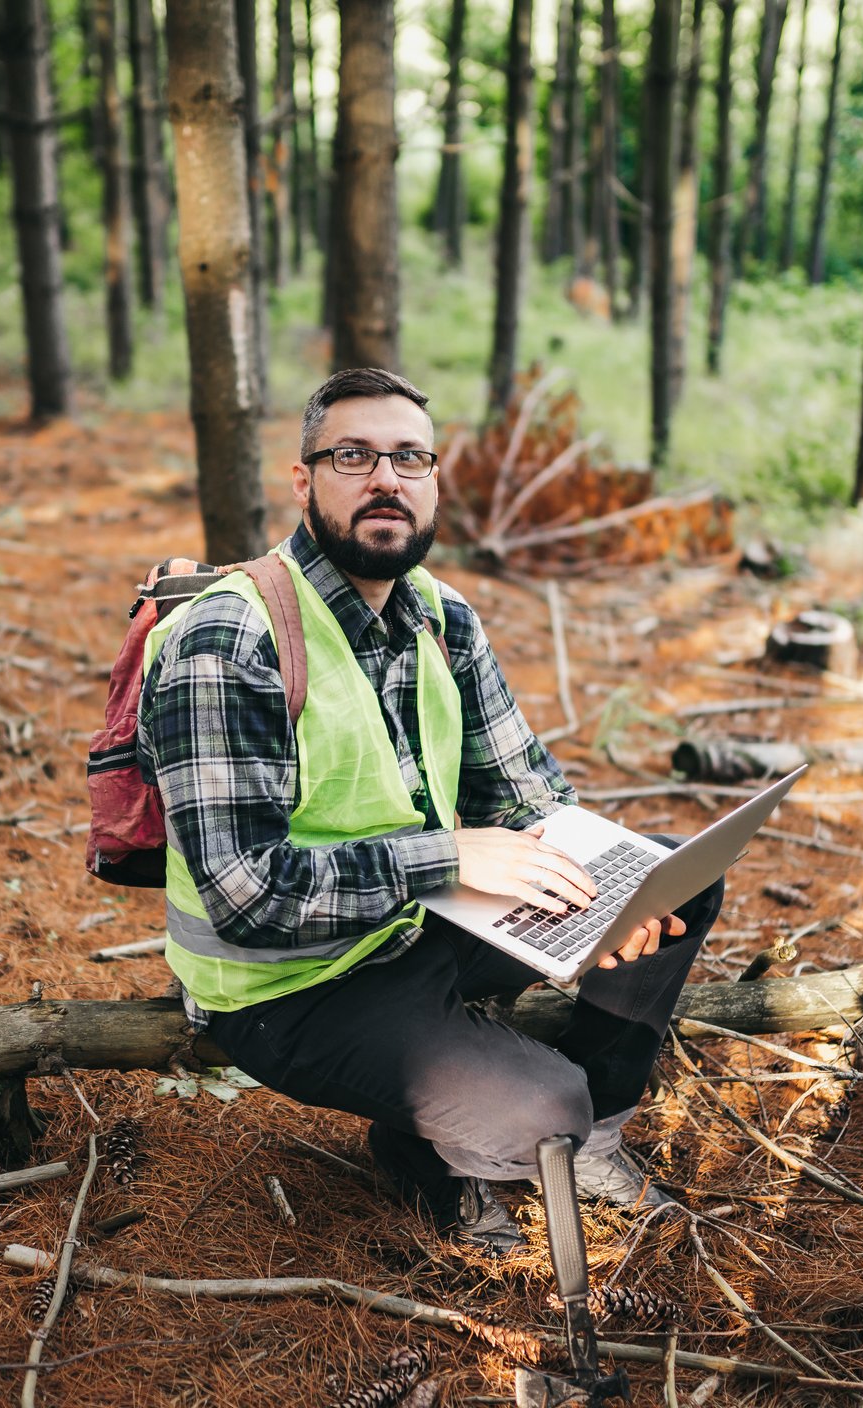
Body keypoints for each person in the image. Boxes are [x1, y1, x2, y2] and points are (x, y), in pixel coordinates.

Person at [138, 368, 723, 1255]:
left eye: (410, 457)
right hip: (288, 987)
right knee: (541, 1108)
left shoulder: (442, 618)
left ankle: (594, 1136)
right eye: (354, 456)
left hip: (415, 924)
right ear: (304, 483)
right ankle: (438, 1151)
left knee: (677, 884)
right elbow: (245, 895)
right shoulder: (230, 639)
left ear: (434, 479)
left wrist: (611, 894)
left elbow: (529, 794)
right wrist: (445, 858)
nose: (387, 479)